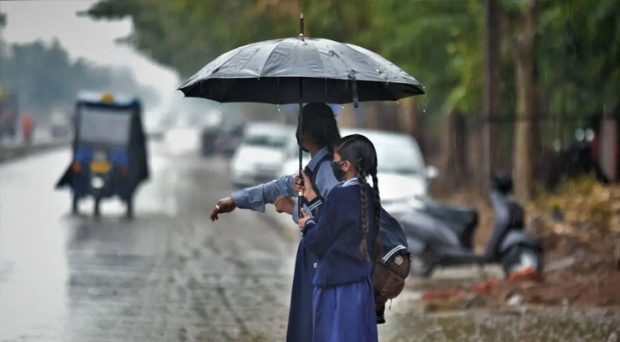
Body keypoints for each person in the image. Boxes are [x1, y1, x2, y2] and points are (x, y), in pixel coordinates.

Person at [210, 102, 341, 342]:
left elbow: (334, 217)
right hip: (314, 255)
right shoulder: (316, 168)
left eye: (301, 123)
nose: (297, 129)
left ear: (309, 131)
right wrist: (235, 200)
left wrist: (293, 208)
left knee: (315, 324)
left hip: (322, 259)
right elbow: (278, 187)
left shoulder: (326, 171)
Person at [297, 134, 380, 342]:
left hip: (336, 290)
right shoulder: (368, 194)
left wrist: (307, 225)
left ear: (346, 165)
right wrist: (312, 197)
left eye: (335, 160)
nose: (332, 164)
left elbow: (319, 242)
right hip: (361, 286)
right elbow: (340, 225)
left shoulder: (339, 195)